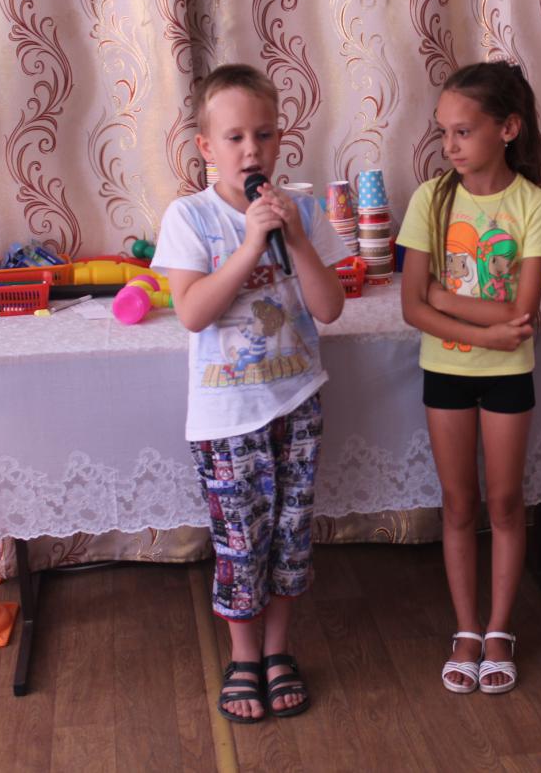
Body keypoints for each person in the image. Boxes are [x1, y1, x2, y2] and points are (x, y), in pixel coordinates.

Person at [151, 63, 348, 723]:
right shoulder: (190, 217)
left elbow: (329, 307)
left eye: (263, 135)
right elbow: (192, 312)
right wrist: (250, 245)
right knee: (241, 541)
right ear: (207, 147)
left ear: (280, 139)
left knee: (291, 535)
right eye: (234, 137)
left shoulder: (304, 211)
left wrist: (294, 237)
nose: (251, 151)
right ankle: (242, 656)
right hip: (226, 415)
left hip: (298, 401)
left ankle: (277, 649)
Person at [397, 61, 541, 694]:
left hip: (508, 377)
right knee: (459, 503)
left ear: (508, 129)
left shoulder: (532, 205)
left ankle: (498, 630)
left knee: (506, 503)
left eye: (463, 132)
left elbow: (525, 313)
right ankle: (466, 630)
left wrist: (445, 296)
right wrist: (485, 329)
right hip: (447, 372)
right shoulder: (430, 200)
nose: (450, 146)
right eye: (444, 132)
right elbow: (412, 308)